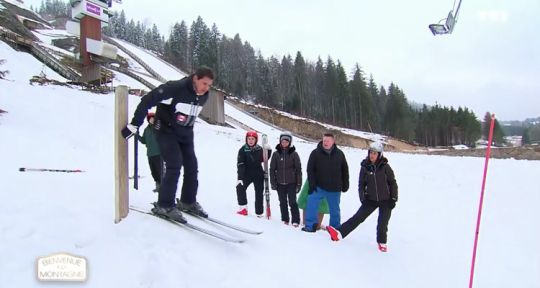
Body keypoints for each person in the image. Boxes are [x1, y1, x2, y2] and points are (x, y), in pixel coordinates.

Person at [121, 67, 214, 223]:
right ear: (195, 78)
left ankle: (187, 201)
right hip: (165, 131)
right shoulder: (175, 88)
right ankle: (164, 205)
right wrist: (134, 125)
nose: (206, 88)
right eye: (204, 83)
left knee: (192, 166)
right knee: (174, 164)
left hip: (185, 133)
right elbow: (147, 100)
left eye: (209, 85)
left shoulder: (203, 95)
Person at [326, 141, 398, 253]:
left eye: (375, 153)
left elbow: (393, 183)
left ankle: (382, 242)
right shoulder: (365, 167)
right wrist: (362, 197)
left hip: (386, 200)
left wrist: (393, 198)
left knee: (382, 223)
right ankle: (339, 233)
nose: (372, 155)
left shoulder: (385, 167)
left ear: (379, 155)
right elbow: (361, 184)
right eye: (371, 153)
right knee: (358, 217)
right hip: (371, 199)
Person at [302, 133, 349, 232]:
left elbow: (345, 170)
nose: (325, 143)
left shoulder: (340, 154)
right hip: (319, 186)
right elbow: (310, 170)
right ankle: (310, 225)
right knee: (311, 204)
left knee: (335, 210)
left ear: (333, 142)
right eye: (324, 141)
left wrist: (345, 184)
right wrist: (312, 184)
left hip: (335, 188)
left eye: (328, 141)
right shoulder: (315, 153)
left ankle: (334, 229)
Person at [236, 131, 272, 217]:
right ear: (246, 139)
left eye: (253, 139)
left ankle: (259, 212)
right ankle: (243, 208)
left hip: (258, 173)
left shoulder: (260, 149)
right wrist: (240, 177)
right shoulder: (243, 150)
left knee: (259, 193)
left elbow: (265, 159)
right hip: (246, 173)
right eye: (249, 139)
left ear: (256, 140)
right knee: (240, 187)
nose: (250, 141)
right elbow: (240, 164)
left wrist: (269, 150)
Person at [269, 131, 302, 226]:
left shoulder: (294, 154)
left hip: (291, 183)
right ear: (280, 142)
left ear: (290, 142)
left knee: (292, 202)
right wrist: (273, 183)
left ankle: (295, 220)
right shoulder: (276, 154)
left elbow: (299, 170)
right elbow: (272, 169)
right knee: (282, 202)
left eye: (286, 142)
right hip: (280, 183)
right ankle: (285, 219)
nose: (284, 143)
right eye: (282, 141)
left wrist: (298, 184)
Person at [138, 112, 162, 193]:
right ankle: (158, 185)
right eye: (150, 118)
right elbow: (144, 141)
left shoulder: (158, 127)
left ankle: (163, 187)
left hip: (159, 154)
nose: (152, 120)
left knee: (160, 171)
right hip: (150, 154)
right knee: (153, 171)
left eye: (153, 118)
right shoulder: (146, 129)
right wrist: (137, 134)